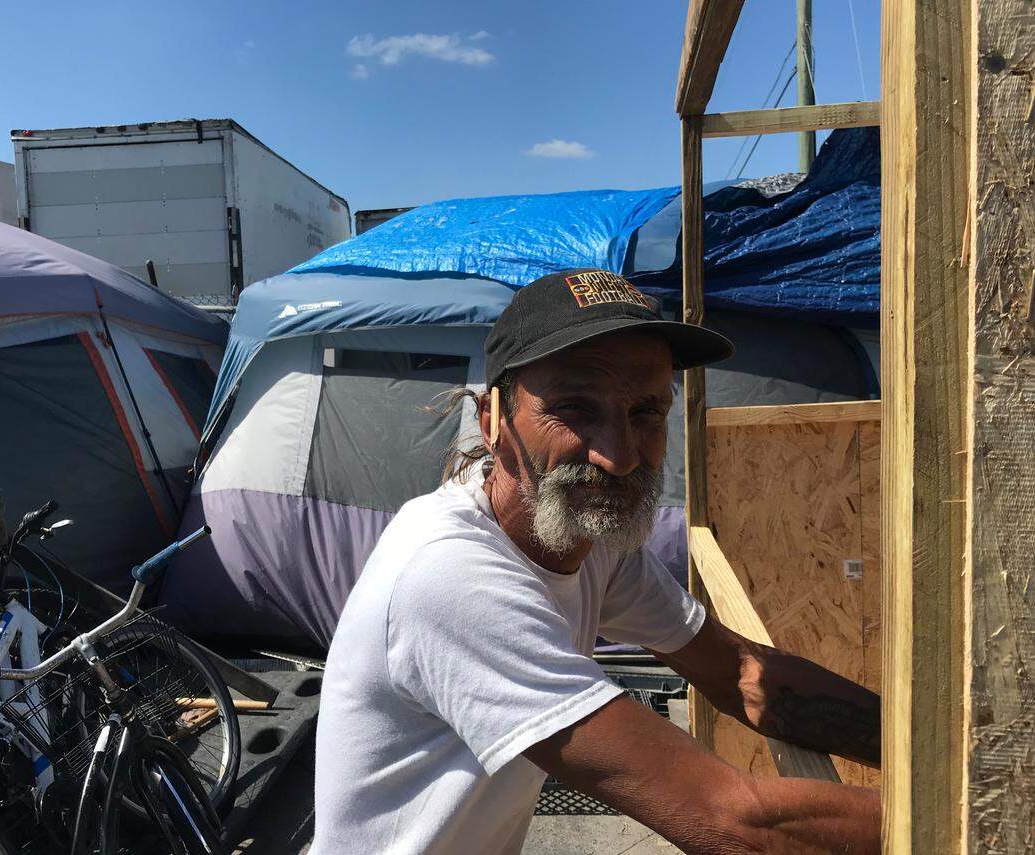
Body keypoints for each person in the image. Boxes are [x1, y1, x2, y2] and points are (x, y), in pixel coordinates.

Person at [312, 269, 881, 854]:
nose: (617, 456)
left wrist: (941, 751)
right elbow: (731, 822)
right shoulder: (448, 577)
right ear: (491, 423)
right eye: (576, 409)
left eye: (645, 413)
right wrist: (965, 807)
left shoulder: (591, 541)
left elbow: (739, 673)